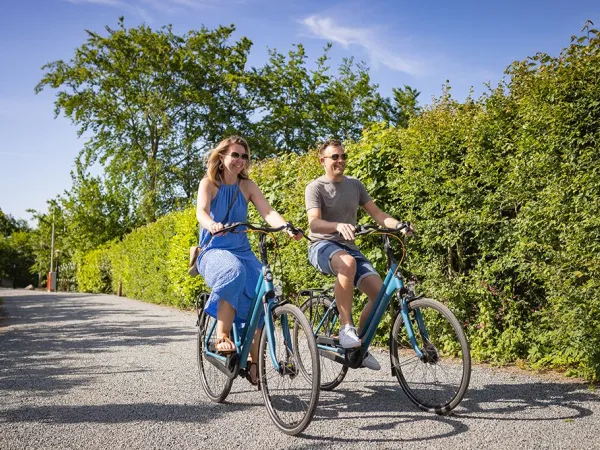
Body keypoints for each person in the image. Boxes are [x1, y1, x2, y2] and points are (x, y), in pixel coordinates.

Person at [192, 135, 300, 385]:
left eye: (244, 156)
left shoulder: (247, 186)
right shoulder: (209, 183)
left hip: (242, 251)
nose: (240, 160)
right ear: (222, 157)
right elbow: (201, 211)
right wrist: (213, 225)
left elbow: (268, 211)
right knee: (233, 272)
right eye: (235, 155)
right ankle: (221, 335)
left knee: (266, 291)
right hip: (213, 250)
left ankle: (254, 363)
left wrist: (286, 227)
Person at [305, 139, 412, 371]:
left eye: (343, 156)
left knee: (381, 295)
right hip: (322, 246)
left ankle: (358, 348)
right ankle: (346, 328)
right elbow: (313, 224)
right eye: (335, 157)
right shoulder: (315, 187)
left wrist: (400, 226)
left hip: (349, 247)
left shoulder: (355, 185)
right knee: (348, 263)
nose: (340, 160)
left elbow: (377, 214)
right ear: (322, 161)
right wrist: (337, 226)